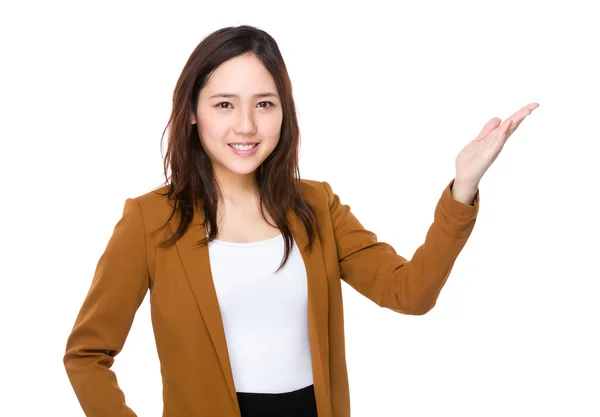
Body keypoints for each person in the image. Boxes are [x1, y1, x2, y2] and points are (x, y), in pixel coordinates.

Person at [63, 24, 538, 417]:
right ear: (191, 112)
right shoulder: (150, 219)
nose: (246, 125)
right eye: (224, 104)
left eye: (264, 104)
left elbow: (410, 292)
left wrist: (463, 187)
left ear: (283, 112)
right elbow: (87, 355)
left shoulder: (315, 205)